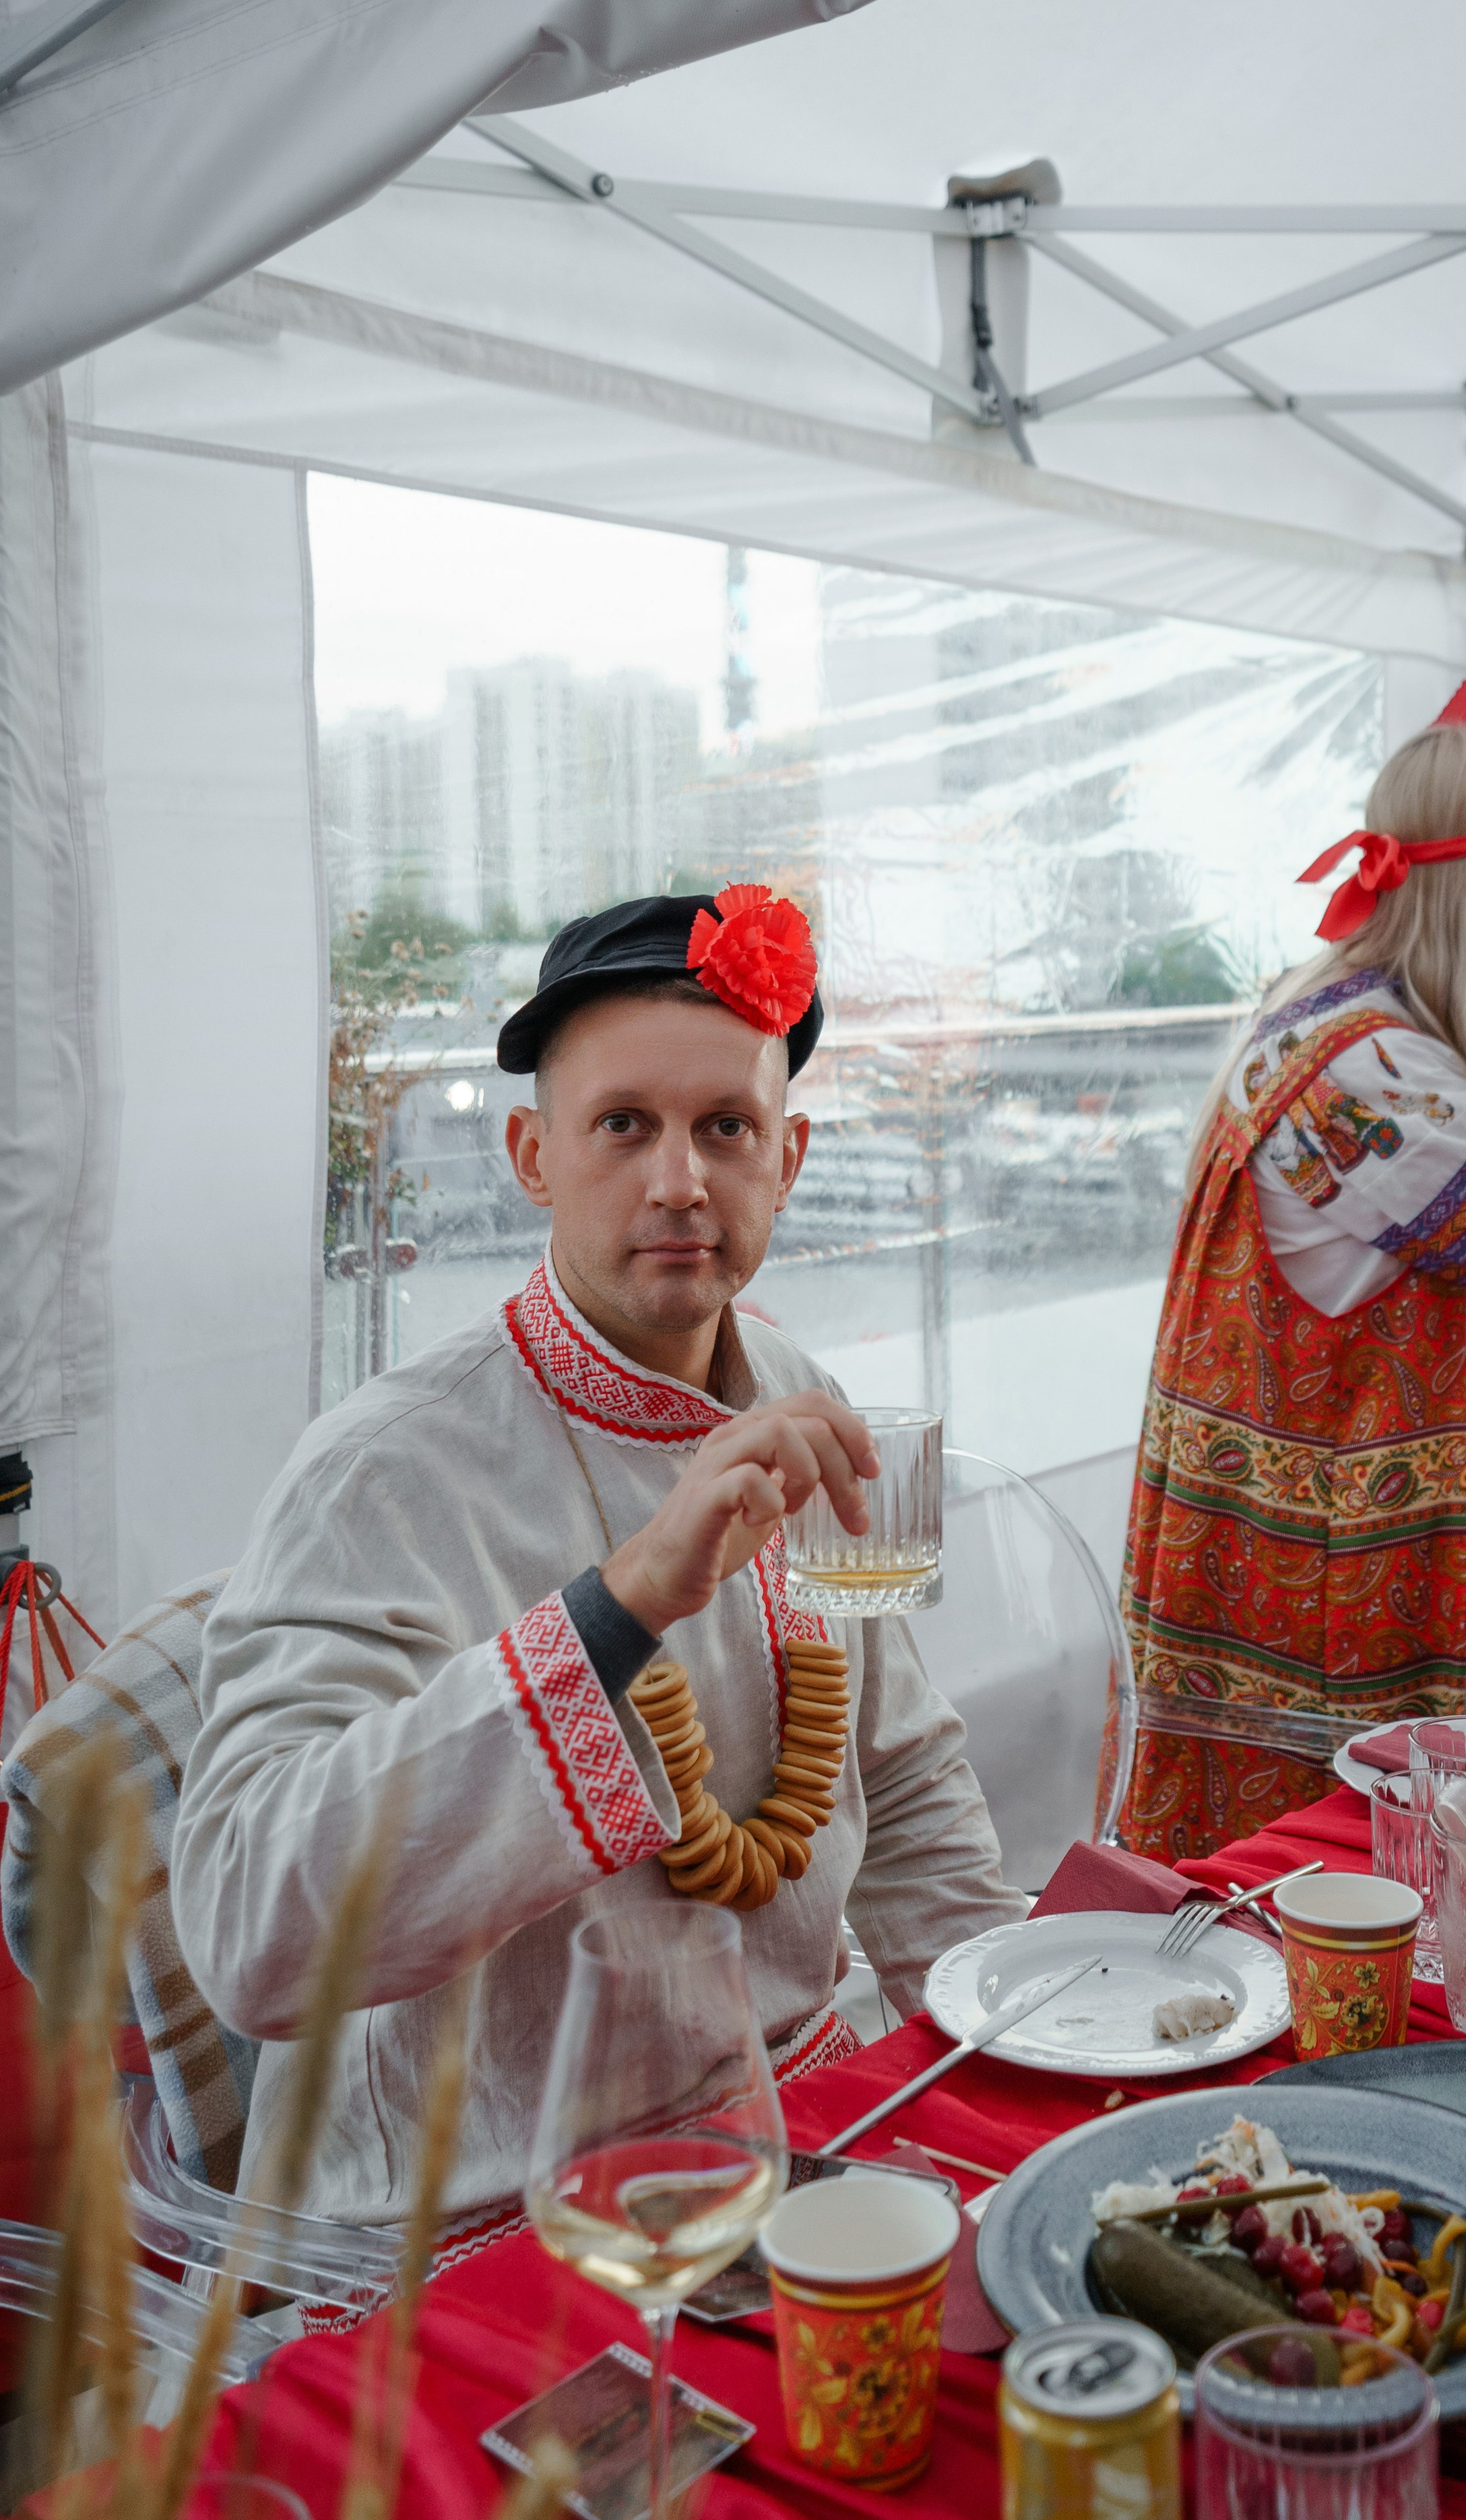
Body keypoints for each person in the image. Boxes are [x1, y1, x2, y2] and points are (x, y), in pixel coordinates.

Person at [171, 885, 1024, 2228]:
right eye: (623, 1124)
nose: (679, 1180)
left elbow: (904, 1781)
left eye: (725, 1129)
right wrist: (620, 1606)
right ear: (530, 1154)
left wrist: (1018, 2067)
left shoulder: (798, 1391)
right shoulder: (381, 1471)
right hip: (486, 2216)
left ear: (786, 1160)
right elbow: (246, 1927)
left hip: (805, 2117)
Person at [1119, 633, 1466, 1863]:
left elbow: (1463, 1247)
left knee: (1267, 1868)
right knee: (1308, 1871)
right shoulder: (1377, 1076)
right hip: (1305, 1568)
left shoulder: (1338, 1021)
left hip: (1258, 1528)